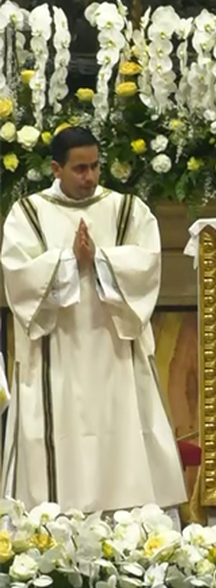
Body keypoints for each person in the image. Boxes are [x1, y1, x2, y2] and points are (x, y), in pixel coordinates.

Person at [0, 126, 185, 514]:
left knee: (122, 433)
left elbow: (148, 266)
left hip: (114, 350)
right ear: (55, 168)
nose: (89, 177)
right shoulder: (28, 214)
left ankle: (130, 525)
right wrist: (70, 262)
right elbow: (18, 278)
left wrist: (99, 261)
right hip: (57, 353)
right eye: (79, 169)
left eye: (95, 167)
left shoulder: (127, 210)